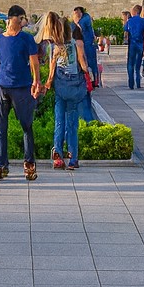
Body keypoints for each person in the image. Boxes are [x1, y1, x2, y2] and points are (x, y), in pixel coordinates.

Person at [0, 4, 43, 181]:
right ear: (12, 19)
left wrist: (36, 82)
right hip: (2, 88)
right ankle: (1, 166)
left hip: (22, 87)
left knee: (26, 126)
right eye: (22, 18)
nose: (24, 22)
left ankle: (29, 164)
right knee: (0, 128)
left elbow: (34, 63)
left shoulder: (27, 39)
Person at [40, 11, 94, 171]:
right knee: (72, 123)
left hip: (60, 88)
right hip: (75, 88)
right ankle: (73, 158)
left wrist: (47, 84)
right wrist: (90, 73)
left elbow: (51, 70)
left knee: (59, 122)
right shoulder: (76, 44)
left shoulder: (54, 47)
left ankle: (58, 156)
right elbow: (83, 65)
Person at [123, 5, 144, 90]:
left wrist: (126, 40)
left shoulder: (129, 21)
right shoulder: (143, 21)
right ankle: (138, 82)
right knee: (138, 64)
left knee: (130, 64)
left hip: (132, 44)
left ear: (135, 11)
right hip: (140, 43)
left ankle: (131, 82)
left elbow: (126, 32)